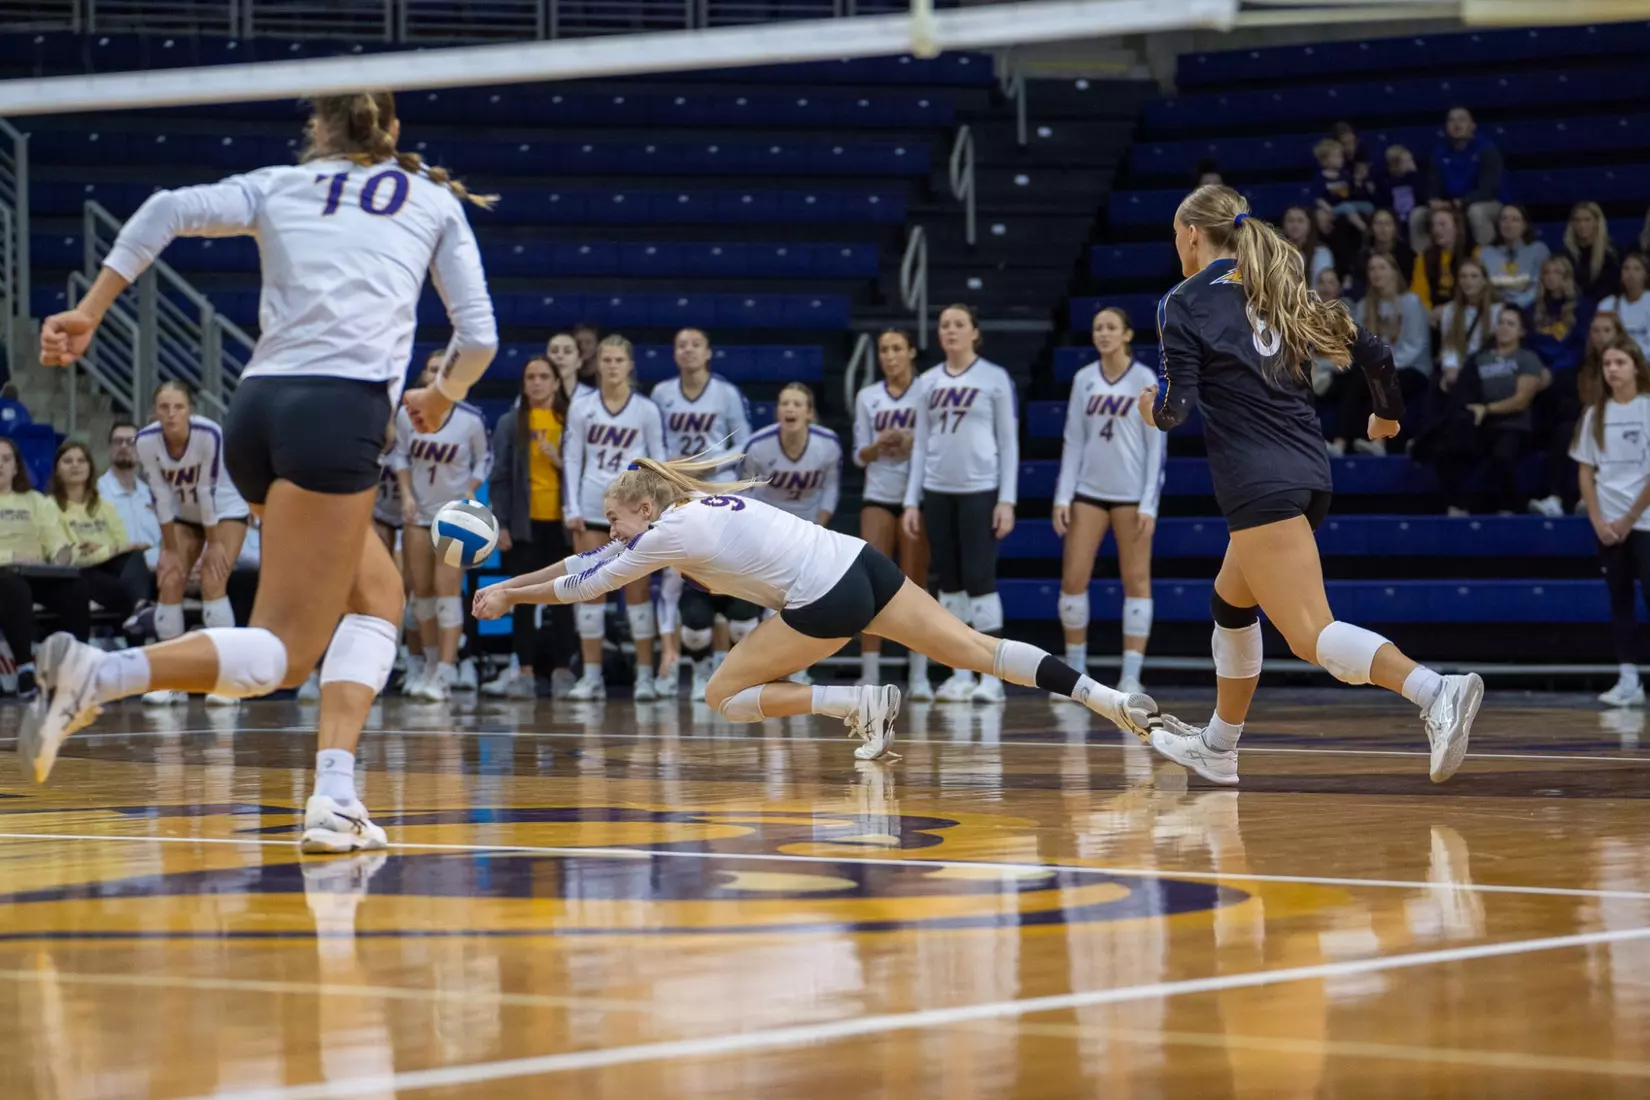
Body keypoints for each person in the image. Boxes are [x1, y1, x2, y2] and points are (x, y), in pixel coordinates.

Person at [22, 91, 499, 862]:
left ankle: (336, 797)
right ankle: (97, 674)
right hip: (336, 417)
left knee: (378, 597)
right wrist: (441, 397)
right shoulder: (433, 200)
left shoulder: (281, 182)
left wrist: (89, 310)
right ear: (393, 132)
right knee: (282, 654)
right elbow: (478, 337)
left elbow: (167, 207)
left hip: (256, 412)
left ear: (319, 131)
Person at [473, 456, 1169, 759]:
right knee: (980, 653)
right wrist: (511, 583)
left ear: (644, 509)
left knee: (720, 693)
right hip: (861, 563)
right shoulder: (690, 512)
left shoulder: (668, 531)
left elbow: (588, 584)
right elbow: (585, 562)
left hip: (826, 596)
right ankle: (1105, 697)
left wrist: (509, 591)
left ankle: (856, 703)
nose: (611, 531)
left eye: (615, 519)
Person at [1140, 183, 1481, 787]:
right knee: (1230, 602)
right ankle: (1219, 746)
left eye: (1176, 236)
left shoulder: (1183, 300)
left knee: (1310, 634)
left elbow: (1176, 409)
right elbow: (1374, 351)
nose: (1176, 246)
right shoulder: (1276, 285)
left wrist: (1148, 407)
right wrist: (1388, 416)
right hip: (1307, 472)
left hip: (1257, 478)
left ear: (1193, 234)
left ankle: (1435, 690)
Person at [901, 304, 1019, 703]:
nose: (950, 331)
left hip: (979, 490)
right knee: (948, 584)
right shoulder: (928, 381)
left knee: (980, 581)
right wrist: (910, 501)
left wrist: (1007, 499)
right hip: (937, 490)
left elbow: (1009, 442)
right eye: (944, 325)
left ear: (974, 332)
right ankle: (960, 674)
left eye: (958, 325)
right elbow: (919, 444)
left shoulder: (994, 378)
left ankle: (993, 676)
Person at [1053, 306, 1162, 696]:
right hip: (1088, 492)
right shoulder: (1083, 379)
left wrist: (1150, 502)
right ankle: (1075, 672)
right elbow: (1073, 439)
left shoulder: (1144, 378)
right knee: (1073, 578)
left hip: (1132, 495)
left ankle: (1131, 674)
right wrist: (1063, 495)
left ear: (1127, 334)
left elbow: (1156, 446)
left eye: (1111, 327)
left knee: (1136, 581)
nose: (1103, 333)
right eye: (1098, 327)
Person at [133, 381, 251, 707]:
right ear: (154, 412)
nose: (171, 415)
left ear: (190, 411)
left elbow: (206, 491)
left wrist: (213, 545)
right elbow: (159, 495)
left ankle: (227, 680)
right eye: (164, 408)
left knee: (214, 580)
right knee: (169, 579)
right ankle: (172, 680)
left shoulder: (208, 433)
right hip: (183, 514)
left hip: (225, 509)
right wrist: (169, 549)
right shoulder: (145, 440)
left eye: (178, 407)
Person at [561, 333, 667, 700]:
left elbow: (659, 461)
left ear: (629, 365)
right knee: (588, 589)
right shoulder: (582, 405)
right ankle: (591, 677)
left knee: (637, 592)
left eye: (618, 360)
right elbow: (573, 457)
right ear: (597, 364)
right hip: (592, 507)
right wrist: (570, 507)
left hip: (635, 512)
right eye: (605, 360)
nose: (611, 366)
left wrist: (655, 512)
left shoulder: (647, 410)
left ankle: (644, 677)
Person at [650, 326, 753, 698]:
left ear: (708, 352)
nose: (688, 350)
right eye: (681, 345)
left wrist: (708, 465)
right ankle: (689, 664)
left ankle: (739, 668)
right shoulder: (661, 393)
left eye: (696, 344)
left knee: (730, 575)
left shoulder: (726, 393)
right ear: (674, 353)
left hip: (718, 489)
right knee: (678, 573)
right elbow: (654, 441)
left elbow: (745, 443)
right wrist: (670, 464)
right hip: (677, 491)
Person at [393, 351, 492, 703]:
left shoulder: (470, 419)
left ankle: (446, 673)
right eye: (432, 368)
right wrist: (404, 493)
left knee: (447, 592)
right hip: (417, 512)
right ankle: (430, 667)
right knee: (421, 596)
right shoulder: (408, 415)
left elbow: (485, 459)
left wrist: (471, 489)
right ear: (424, 374)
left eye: (443, 370)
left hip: (455, 516)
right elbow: (400, 454)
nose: (437, 375)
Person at [485, 354, 576, 700]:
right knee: (520, 599)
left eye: (543, 376)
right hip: (525, 526)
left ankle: (562, 670)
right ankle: (523, 671)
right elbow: (499, 478)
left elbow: (581, 469)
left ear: (556, 382)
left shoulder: (571, 420)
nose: (536, 382)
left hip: (563, 524)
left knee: (565, 597)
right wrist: (502, 524)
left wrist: (559, 461)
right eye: (530, 376)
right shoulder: (511, 422)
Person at [1571, 336, 1650, 707]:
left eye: (1620, 362)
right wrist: (1599, 519)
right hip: (1607, 525)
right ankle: (1629, 677)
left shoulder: (1646, 409)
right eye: (1607, 364)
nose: (1612, 369)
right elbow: (1586, 471)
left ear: (1636, 366)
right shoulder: (1595, 413)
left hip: (1644, 521)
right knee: (1619, 598)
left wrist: (1630, 518)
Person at [853, 328, 930, 694]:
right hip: (879, 491)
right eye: (884, 349)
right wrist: (877, 446)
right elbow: (859, 454)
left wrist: (914, 441)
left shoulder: (927, 389)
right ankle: (870, 673)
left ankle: (918, 674)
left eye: (897, 348)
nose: (889, 355)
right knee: (870, 584)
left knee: (915, 584)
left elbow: (936, 442)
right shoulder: (867, 396)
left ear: (912, 351)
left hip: (916, 493)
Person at [0, 437, 95, 696]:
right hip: (4, 575)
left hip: (35, 571)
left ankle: (76, 666)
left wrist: (62, 554)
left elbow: (53, 538)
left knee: (76, 587)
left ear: (16, 467)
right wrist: (11, 555)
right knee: (12, 585)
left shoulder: (35, 500)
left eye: (6, 459)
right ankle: (24, 670)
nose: (0, 465)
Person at [1431, 306, 1544, 516]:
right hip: (1481, 424)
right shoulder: (1479, 358)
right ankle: (1457, 506)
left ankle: (1507, 508)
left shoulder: (1527, 358)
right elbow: (1465, 392)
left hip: (1514, 425)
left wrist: (1488, 408)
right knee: (1445, 448)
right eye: (1501, 322)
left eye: (1511, 324)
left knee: (1502, 455)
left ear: (1521, 331)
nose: (1504, 328)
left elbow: (1522, 400)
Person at [1332, 252, 1430, 455]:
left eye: (1382, 268)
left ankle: (1379, 442)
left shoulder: (1412, 303)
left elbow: (1417, 345)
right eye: (1372, 269)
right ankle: (1340, 444)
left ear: (1394, 272)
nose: (1377, 273)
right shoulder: (1363, 307)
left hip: (1412, 368)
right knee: (1355, 381)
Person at [43, 442, 148, 624]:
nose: (75, 465)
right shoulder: (48, 506)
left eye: (81, 460)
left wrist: (101, 549)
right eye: (68, 461)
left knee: (136, 559)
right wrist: (108, 550)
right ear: (57, 470)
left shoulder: (104, 506)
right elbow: (68, 558)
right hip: (77, 574)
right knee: (119, 587)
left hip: (109, 570)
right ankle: (139, 614)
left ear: (90, 468)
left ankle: (139, 611)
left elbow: (123, 547)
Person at [742, 383, 841, 525]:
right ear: (777, 412)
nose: (790, 408)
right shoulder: (757, 445)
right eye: (784, 404)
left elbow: (831, 487)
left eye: (797, 404)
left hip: (810, 522)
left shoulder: (829, 444)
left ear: (809, 413)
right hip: (766, 522)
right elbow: (743, 489)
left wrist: (819, 527)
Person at [1419, 106, 1503, 250]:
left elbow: (1488, 190)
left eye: (1462, 120)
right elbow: (1433, 185)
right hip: (1451, 204)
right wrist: (1433, 200)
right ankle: (1422, 265)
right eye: (1451, 120)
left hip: (1485, 202)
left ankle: (1485, 261)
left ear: (1472, 126)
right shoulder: (1439, 152)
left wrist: (1460, 202)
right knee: (1418, 215)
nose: (1457, 124)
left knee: (1476, 212)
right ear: (1446, 127)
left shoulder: (1486, 149)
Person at [97, 420, 162, 572]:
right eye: (118, 441)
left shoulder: (153, 495)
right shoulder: (96, 493)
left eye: (131, 442)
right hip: (117, 573)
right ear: (109, 449)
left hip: (159, 573)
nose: (124, 446)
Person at [1477, 203, 1548, 311]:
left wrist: (1515, 306)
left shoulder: (1538, 250)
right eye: (1504, 219)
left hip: (1529, 309)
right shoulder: (1485, 253)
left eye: (1515, 219)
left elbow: (1538, 288)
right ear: (1498, 224)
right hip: (1494, 310)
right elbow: (1482, 288)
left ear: (1524, 225)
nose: (1508, 224)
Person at [1437, 258, 1497, 385]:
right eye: (1463, 276)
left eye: (1474, 276)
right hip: (1459, 366)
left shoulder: (1496, 310)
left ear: (1484, 281)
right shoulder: (1449, 310)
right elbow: (1449, 345)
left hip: (1487, 368)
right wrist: (1450, 367)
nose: (1468, 281)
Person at [1530, 255, 1591, 375]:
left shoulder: (1582, 307)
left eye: (1557, 272)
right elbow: (1529, 343)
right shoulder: (1533, 308)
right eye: (1546, 272)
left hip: (1569, 367)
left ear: (1567, 277)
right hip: (1539, 367)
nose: (1551, 277)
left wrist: (1554, 369)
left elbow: (1580, 346)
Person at [1350, 208, 1415, 301]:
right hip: (1370, 303)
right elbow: (1359, 288)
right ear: (1371, 228)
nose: (1383, 228)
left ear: (1395, 228)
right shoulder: (1363, 256)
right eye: (1378, 223)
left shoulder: (1407, 254)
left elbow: (1409, 284)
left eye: (1388, 223)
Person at [1411, 207, 1465, 317]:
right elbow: (1418, 293)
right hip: (1431, 316)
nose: (1436, 230)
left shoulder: (1471, 254)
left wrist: (1448, 310)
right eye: (1433, 225)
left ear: (1457, 227)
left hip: (1461, 311)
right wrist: (1429, 312)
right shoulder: (1424, 258)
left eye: (1442, 224)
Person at [1564, 201, 1621, 304]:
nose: (1582, 225)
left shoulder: (1611, 255)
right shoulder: (1566, 254)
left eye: (1587, 220)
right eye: (1577, 220)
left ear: (1597, 222)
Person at [1598, 252, 1650, 351]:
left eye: (1637, 269)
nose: (1631, 274)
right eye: (1626, 268)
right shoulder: (1607, 304)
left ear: (1646, 275)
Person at [1280, 205, 1335, 286]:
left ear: (1310, 224)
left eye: (1300, 221)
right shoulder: (1276, 251)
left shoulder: (1322, 253)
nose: (1295, 225)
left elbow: (1323, 284)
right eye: (1290, 221)